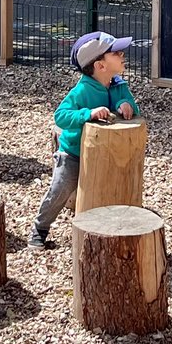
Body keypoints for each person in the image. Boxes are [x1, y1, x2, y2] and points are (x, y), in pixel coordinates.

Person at [29, 31, 140, 249]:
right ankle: (39, 229)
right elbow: (60, 116)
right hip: (74, 153)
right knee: (60, 189)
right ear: (100, 66)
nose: (122, 55)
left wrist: (125, 105)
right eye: (116, 53)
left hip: (105, 153)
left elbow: (131, 104)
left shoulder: (118, 85)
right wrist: (87, 114)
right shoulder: (81, 91)